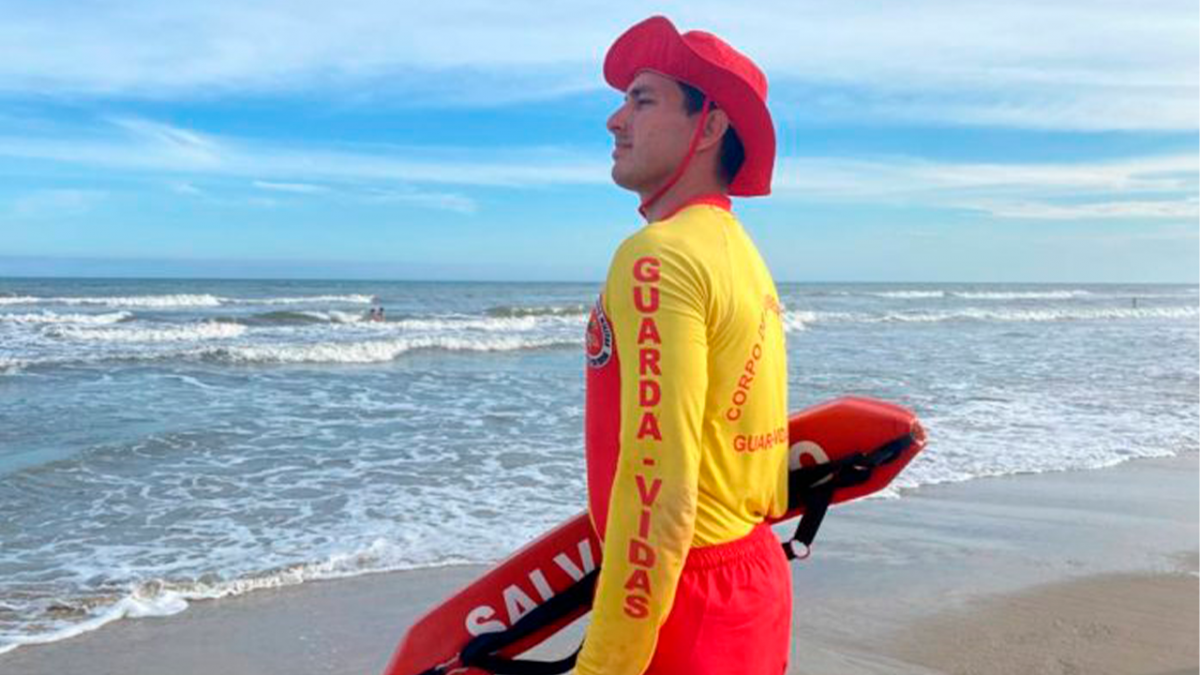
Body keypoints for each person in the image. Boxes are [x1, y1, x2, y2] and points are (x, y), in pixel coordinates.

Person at [578, 16, 791, 675]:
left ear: (712, 124)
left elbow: (656, 488)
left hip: (682, 600)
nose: (615, 121)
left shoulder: (657, 257)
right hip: (755, 578)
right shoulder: (741, 254)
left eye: (642, 100)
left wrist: (604, 662)